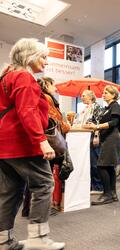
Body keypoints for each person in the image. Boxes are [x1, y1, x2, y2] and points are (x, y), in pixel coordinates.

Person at [0, 38, 65, 250]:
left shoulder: (6, 76)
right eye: (43, 57)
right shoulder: (24, 77)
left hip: (5, 145)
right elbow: (27, 111)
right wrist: (42, 141)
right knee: (45, 184)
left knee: (10, 191)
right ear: (30, 57)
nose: (46, 62)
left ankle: (3, 240)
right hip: (23, 143)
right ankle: (38, 237)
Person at [83, 85, 120, 205]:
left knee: (101, 165)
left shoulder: (115, 106)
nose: (103, 93)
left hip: (112, 138)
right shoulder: (107, 108)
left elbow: (114, 122)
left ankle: (107, 194)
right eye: (103, 92)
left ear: (114, 95)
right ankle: (112, 194)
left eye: (107, 92)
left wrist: (96, 127)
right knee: (109, 166)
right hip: (107, 137)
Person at [37, 77, 71, 214]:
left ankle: (42, 207)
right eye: (53, 85)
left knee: (45, 174)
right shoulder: (47, 98)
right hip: (49, 141)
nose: (55, 88)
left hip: (44, 140)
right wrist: (66, 125)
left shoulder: (42, 96)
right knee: (47, 175)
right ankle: (47, 207)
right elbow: (54, 118)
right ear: (46, 84)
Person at [77, 90, 104, 194]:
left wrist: (96, 136)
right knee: (88, 162)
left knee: (94, 162)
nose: (82, 97)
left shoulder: (96, 107)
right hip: (85, 136)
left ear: (90, 96)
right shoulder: (85, 109)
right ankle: (92, 185)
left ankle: (98, 187)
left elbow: (99, 122)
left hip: (93, 135)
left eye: (83, 96)